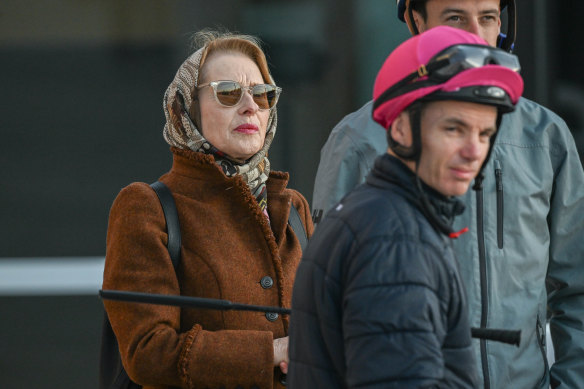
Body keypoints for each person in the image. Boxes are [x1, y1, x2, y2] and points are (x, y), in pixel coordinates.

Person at [310, 1, 584, 387]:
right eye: (455, 17)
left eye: (488, 18)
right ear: (415, 21)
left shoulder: (547, 138)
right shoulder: (357, 140)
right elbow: (325, 309)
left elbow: (578, 288)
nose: (475, 34)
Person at [288, 25, 523, 388]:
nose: (474, 150)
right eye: (454, 129)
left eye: (484, 133)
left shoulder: (377, 214)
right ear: (399, 129)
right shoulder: (394, 239)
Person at [102, 30, 313, 389]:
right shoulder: (146, 206)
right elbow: (149, 352)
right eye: (228, 93)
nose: (250, 106)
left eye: (262, 95)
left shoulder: (292, 207)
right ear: (185, 108)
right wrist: (271, 351)